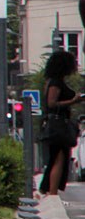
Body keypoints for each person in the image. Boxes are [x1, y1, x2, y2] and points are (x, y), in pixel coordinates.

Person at [38, 51, 83, 196]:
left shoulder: (53, 80)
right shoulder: (56, 82)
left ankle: (49, 189)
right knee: (58, 157)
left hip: (56, 124)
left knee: (58, 157)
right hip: (58, 126)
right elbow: (52, 103)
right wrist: (73, 101)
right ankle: (51, 191)